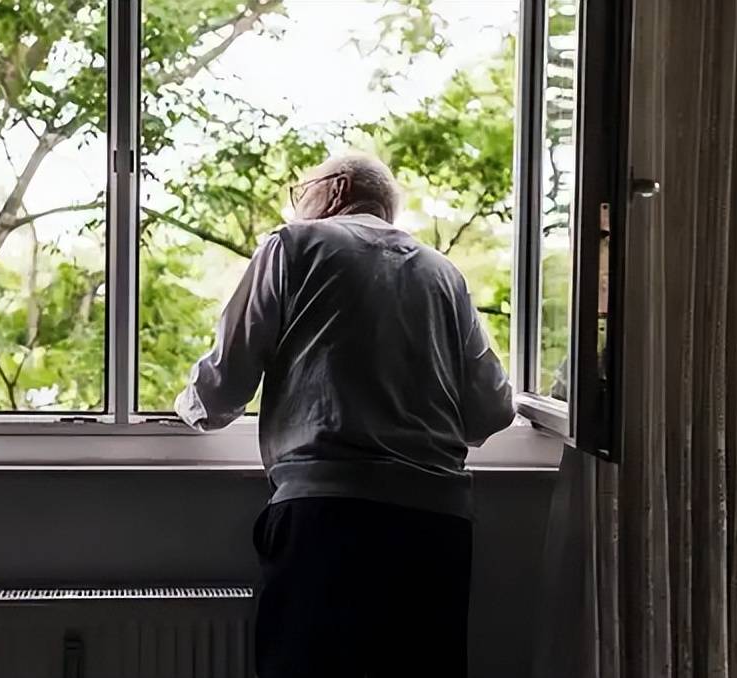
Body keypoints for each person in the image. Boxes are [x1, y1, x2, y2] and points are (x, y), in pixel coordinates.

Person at [175, 153, 515, 678]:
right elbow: (491, 411)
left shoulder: (293, 245)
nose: (296, 207)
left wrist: (182, 408)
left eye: (300, 192)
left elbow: (220, 392)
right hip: (436, 527)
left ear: (335, 189)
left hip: (329, 517)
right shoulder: (444, 273)